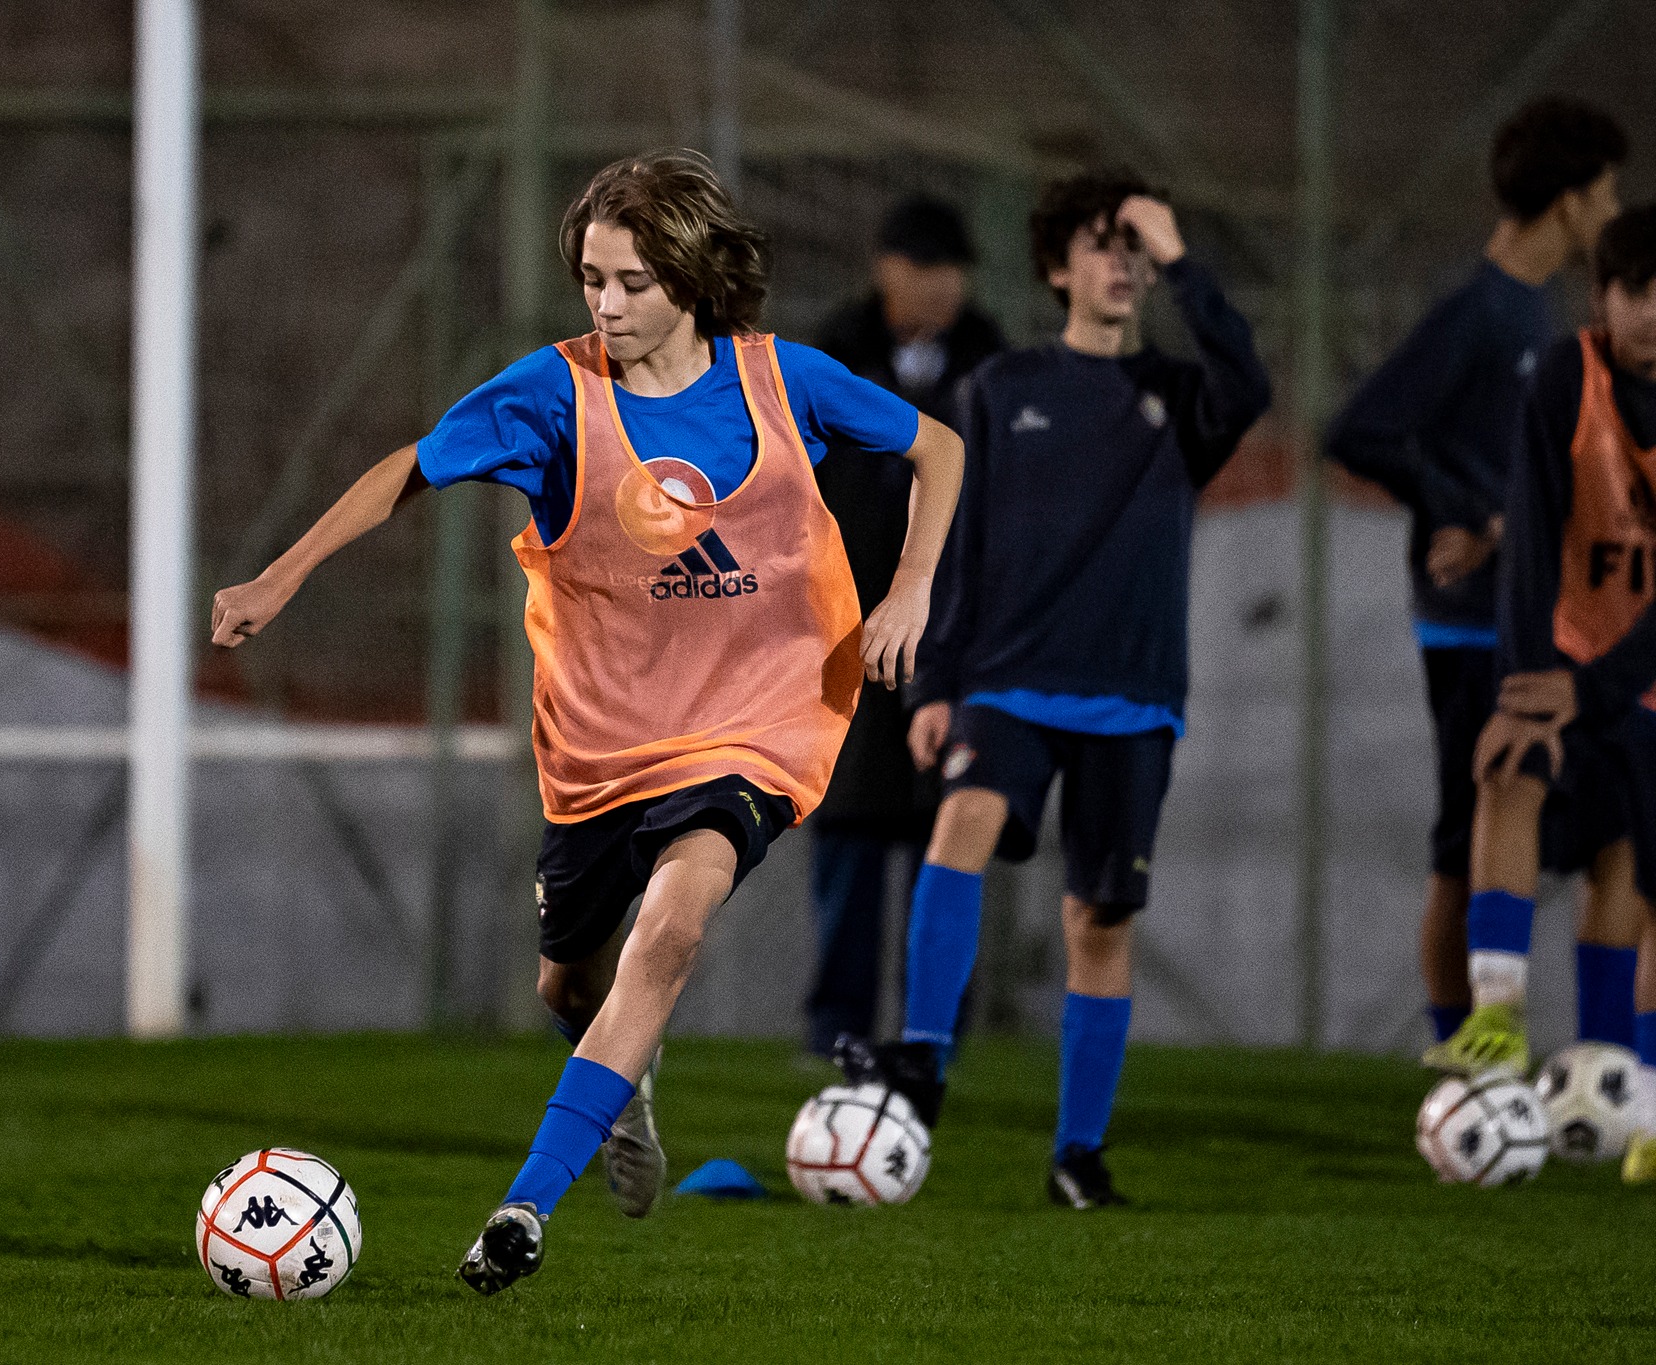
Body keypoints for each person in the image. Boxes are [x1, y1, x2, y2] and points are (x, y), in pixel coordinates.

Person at [208, 151, 962, 1291]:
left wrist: (909, 588)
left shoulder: (782, 380)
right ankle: (622, 1091)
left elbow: (936, 450)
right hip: (600, 745)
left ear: (695, 279)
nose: (604, 304)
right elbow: (407, 470)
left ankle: (520, 1209)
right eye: (590, 279)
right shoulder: (551, 393)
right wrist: (280, 574)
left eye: (629, 282)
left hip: (756, 725)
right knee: (568, 986)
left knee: (670, 927)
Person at [837, 168, 1271, 1209]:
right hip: (1006, 680)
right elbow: (952, 541)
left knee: (1096, 923)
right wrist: (936, 682)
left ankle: (1076, 1156)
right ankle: (923, 1065)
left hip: (1131, 693)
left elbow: (1248, 383)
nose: (1117, 263)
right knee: (957, 830)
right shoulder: (997, 391)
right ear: (1053, 268)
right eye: (1098, 245)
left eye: (1131, 249)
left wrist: (1180, 256)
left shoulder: (1175, 397)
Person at [1327, 98, 1628, 1047]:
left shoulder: (1532, 312)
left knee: (1591, 828)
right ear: (1574, 202)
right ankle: (1462, 1050)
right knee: (1469, 833)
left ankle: (1579, 1055)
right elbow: (1360, 429)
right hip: (1469, 621)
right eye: (1608, 192)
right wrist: (1467, 510)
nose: (1614, 212)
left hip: (1533, 615)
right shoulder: (1483, 309)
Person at [1433, 210, 1656, 1187]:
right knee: (1508, 770)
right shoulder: (1566, 377)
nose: (1651, 314)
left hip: (1629, 677)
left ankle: (1629, 1087)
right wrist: (1520, 686)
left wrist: (1593, 690)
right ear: (1601, 296)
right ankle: (1496, 1012)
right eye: (1635, 293)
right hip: (1561, 657)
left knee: (1634, 868)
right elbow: (1529, 533)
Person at [805, 197, 1005, 1055]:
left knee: (948, 829)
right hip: (843, 624)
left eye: (951, 270)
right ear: (887, 268)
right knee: (847, 826)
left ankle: (934, 1030)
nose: (939, 288)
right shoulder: (831, 350)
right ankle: (836, 1027)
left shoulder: (990, 361)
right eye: (924, 268)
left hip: (952, 626)